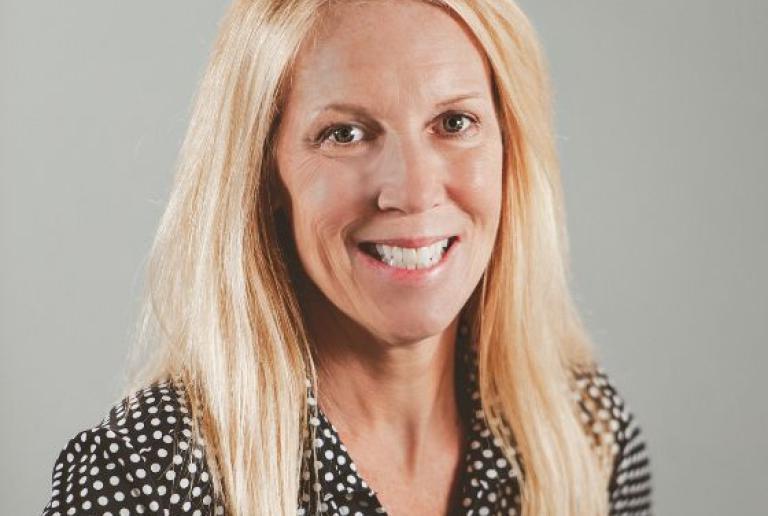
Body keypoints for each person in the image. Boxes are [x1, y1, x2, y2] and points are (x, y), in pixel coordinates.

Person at [40, 0, 653, 515]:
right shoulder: (149, 478)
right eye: (345, 134)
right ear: (265, 177)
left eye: (454, 121)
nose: (413, 190)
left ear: (509, 148)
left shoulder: (585, 434)